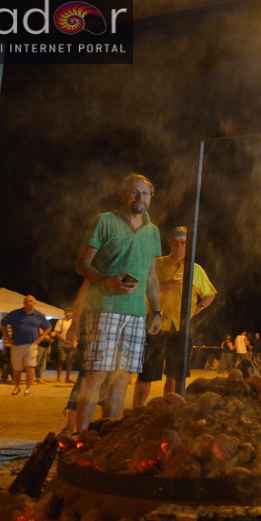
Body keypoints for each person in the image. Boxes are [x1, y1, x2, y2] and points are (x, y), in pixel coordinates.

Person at [66, 174, 161, 435]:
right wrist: (107, 281)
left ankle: (108, 435)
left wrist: (157, 311)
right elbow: (82, 264)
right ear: (122, 195)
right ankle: (81, 436)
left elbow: (152, 275)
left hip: (137, 313)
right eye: (134, 192)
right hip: (104, 309)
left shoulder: (153, 231)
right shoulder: (104, 221)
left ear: (151, 198)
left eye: (145, 193)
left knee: (122, 378)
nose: (139, 197)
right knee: (97, 373)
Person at [134, 225, 217, 407]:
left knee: (175, 374)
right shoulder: (156, 264)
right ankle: (137, 411)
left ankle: (169, 410)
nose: (180, 247)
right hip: (156, 325)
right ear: (170, 242)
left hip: (181, 327)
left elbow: (210, 294)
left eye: (184, 243)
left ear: (189, 246)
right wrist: (163, 287)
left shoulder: (195, 270)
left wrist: (197, 309)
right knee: (147, 373)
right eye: (177, 242)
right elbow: (139, 291)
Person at [0, 295, 52, 396]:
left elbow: (48, 327)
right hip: (17, 344)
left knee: (30, 366)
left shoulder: (39, 315)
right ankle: (17, 387)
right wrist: (7, 337)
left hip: (31, 344)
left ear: (34, 303)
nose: (28, 303)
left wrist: (42, 337)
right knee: (17, 368)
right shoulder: (15, 313)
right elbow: (3, 323)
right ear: (23, 302)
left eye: (31, 301)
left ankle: (28, 388)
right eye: (26, 301)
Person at [52, 308, 76, 383]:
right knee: (60, 361)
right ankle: (58, 378)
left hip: (72, 345)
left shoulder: (74, 322)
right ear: (65, 313)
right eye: (68, 312)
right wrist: (65, 341)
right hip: (62, 344)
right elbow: (57, 333)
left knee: (70, 361)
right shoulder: (61, 321)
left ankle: (67, 378)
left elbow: (77, 332)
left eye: (70, 312)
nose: (69, 314)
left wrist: (75, 341)